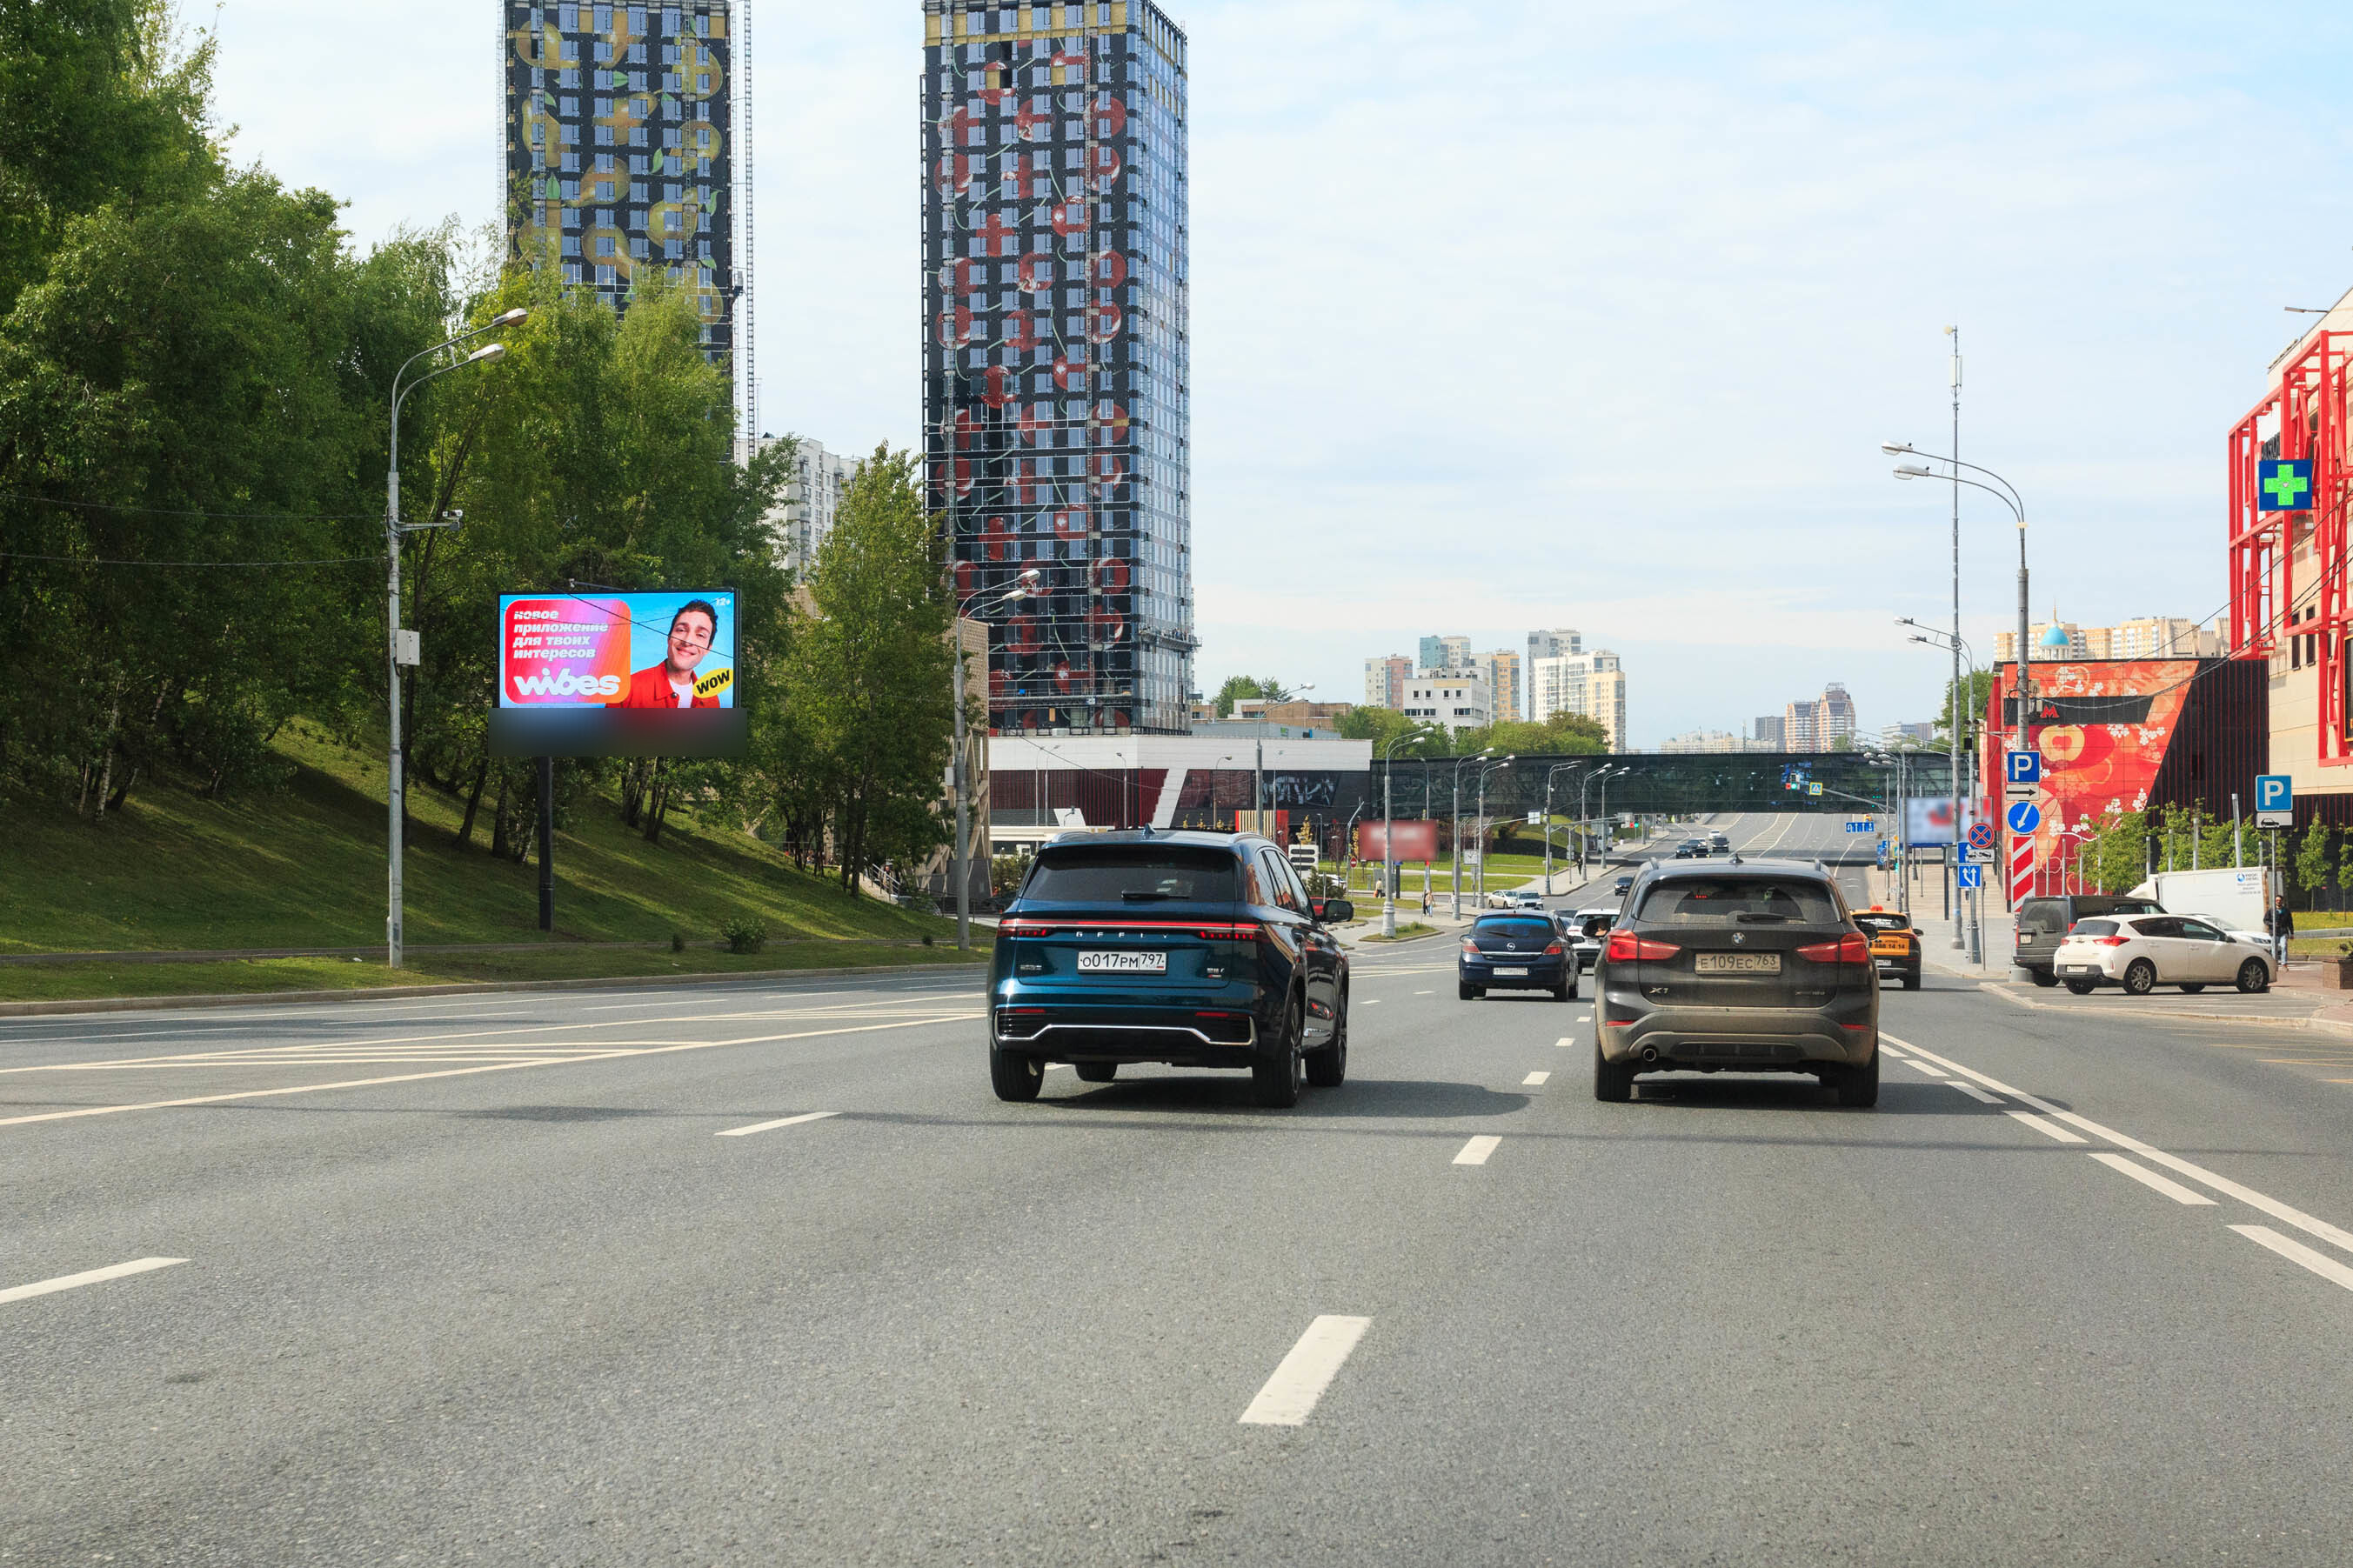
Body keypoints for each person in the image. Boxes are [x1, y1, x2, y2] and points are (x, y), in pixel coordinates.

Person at [615, 600, 722, 709]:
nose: (687, 641)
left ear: (708, 649)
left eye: (700, 635)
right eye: (681, 630)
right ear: (669, 638)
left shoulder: (711, 700)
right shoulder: (627, 690)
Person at [2271, 894, 2294, 964]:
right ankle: (2274, 962)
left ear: (2282, 901)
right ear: (2275, 901)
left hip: (2284, 932)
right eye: (2277, 900)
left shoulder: (2286, 911)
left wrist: (2292, 933)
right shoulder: (2272, 910)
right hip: (2274, 932)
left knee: (2284, 946)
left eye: (2280, 900)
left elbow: (2290, 922)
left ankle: (2284, 962)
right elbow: (2265, 920)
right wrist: (2272, 924)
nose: (2278, 901)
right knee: (2274, 948)